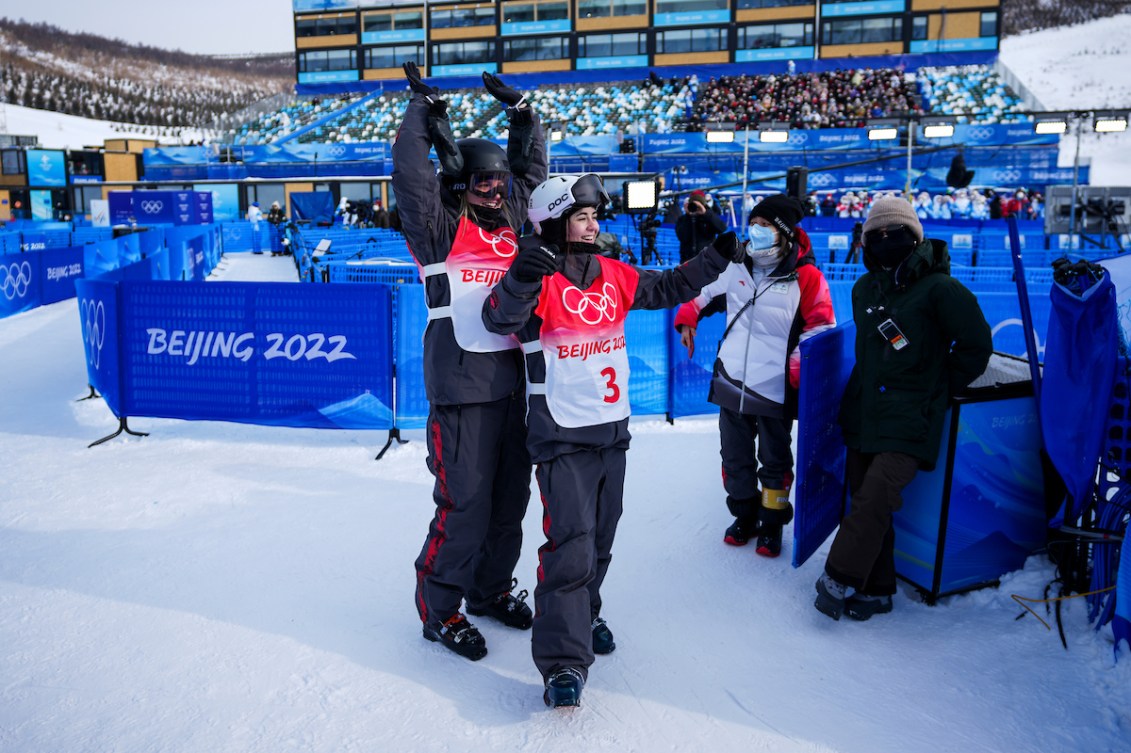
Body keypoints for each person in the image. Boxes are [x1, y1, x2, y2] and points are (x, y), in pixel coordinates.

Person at [482, 174, 741, 707]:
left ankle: (585, 611)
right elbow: (498, 318)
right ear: (554, 221)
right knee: (570, 544)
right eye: (582, 217)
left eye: (595, 216)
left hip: (612, 429)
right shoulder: (537, 276)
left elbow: (669, 286)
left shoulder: (613, 273)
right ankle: (562, 663)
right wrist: (519, 279)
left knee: (599, 539)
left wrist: (719, 254)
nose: (594, 224)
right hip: (561, 433)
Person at [392, 62, 548, 661]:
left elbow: (532, 173)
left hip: (514, 388)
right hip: (460, 389)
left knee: (510, 504)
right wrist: (420, 109)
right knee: (465, 505)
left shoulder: (513, 225)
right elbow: (411, 174)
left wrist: (525, 115)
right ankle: (442, 608)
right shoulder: (439, 229)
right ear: (460, 185)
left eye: (497, 180)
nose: (492, 187)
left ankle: (488, 591)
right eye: (479, 180)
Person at [814, 196, 992, 622]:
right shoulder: (863, 289)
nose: (884, 241)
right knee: (865, 501)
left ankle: (838, 574)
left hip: (911, 419)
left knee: (877, 496)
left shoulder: (941, 289)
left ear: (914, 237)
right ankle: (877, 589)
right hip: (865, 415)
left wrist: (936, 386)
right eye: (875, 235)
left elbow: (976, 346)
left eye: (894, 233)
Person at [674, 195, 836, 558]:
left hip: (775, 389)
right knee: (734, 458)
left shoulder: (806, 276)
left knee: (775, 462)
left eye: (765, 226)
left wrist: (797, 366)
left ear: (782, 233)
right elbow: (700, 292)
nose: (755, 231)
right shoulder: (735, 265)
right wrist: (687, 317)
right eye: (754, 223)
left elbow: (821, 327)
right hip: (731, 380)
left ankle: (772, 524)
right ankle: (744, 516)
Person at [676, 189, 727, 263]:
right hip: (688, 261)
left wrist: (705, 213)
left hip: (707, 260)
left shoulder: (709, 216)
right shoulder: (683, 219)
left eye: (699, 204)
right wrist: (688, 216)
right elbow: (682, 237)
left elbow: (722, 228)